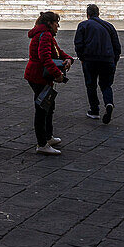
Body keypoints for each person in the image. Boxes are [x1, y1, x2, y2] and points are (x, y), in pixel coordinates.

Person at [24, 10, 73, 155]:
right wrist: (57, 74)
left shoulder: (47, 35)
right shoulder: (44, 35)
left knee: (49, 106)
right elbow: (45, 58)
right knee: (42, 109)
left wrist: (69, 58)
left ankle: (48, 136)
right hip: (38, 76)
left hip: (40, 76)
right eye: (56, 23)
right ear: (49, 24)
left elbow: (58, 52)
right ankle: (42, 143)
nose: (58, 26)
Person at [74, 4, 121, 124]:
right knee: (106, 85)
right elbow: (117, 46)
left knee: (91, 85)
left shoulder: (83, 25)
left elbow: (78, 44)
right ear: (98, 14)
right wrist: (114, 60)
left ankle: (94, 110)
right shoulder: (109, 26)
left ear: (87, 14)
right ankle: (109, 103)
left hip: (90, 60)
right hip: (107, 59)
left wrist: (82, 57)